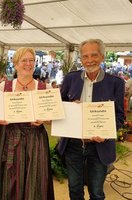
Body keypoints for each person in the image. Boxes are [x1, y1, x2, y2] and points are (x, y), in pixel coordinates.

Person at [57, 39, 125, 200]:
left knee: (96, 192)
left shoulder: (115, 83)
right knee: (74, 189)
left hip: (99, 147)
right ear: (80, 59)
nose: (89, 60)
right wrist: (70, 108)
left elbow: (119, 116)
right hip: (73, 145)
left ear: (102, 56)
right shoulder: (71, 79)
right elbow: (58, 107)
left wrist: (106, 133)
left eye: (94, 55)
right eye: (85, 56)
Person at [0, 47, 55, 200]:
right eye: (24, 60)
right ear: (15, 64)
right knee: (8, 180)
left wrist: (43, 119)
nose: (28, 64)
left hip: (36, 139)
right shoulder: (4, 87)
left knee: (35, 179)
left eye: (31, 60)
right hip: (9, 138)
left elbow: (53, 118)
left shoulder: (45, 88)